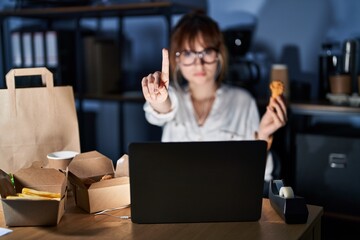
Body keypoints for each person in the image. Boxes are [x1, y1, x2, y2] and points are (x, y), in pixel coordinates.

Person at [141, 12, 287, 196]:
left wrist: (265, 135)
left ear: (219, 55)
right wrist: (159, 101)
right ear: (177, 59)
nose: (199, 63)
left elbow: (260, 175)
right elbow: (163, 109)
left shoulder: (242, 101)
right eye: (188, 53)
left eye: (207, 51)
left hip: (229, 199)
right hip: (177, 199)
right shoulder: (173, 97)